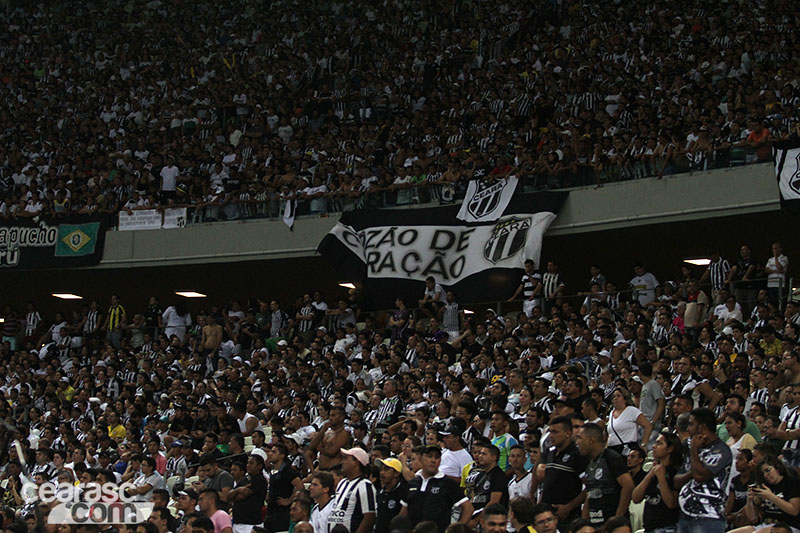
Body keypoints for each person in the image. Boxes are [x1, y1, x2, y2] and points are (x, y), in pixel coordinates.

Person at [675, 408, 733, 533]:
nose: (688, 429)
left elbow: (701, 476)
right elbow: (676, 481)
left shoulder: (721, 450)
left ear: (702, 427)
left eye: (691, 424)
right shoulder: (693, 450)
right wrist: (692, 472)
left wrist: (694, 449)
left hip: (709, 518)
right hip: (685, 516)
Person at [401, 445, 473, 532]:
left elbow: (468, 508)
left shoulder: (447, 483)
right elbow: (404, 512)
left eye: (437, 457)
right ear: (420, 459)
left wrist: (458, 530)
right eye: (429, 456)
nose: (433, 460)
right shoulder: (412, 483)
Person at [576, 423, 634, 528]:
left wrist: (617, 519)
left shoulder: (611, 458)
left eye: (579, 438)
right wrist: (584, 523)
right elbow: (589, 493)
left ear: (591, 440)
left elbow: (628, 485)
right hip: (595, 523)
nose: (577, 442)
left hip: (612, 524)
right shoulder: (588, 461)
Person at [538, 416, 587, 527]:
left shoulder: (577, 455)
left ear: (568, 434)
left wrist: (569, 507)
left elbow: (589, 486)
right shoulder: (550, 453)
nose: (551, 436)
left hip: (566, 517)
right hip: (546, 513)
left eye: (555, 432)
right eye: (550, 432)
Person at [632, 432, 683, 533]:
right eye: (655, 443)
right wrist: (650, 474)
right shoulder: (653, 472)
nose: (654, 446)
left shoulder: (676, 473)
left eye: (659, 443)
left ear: (670, 449)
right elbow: (635, 498)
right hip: (649, 527)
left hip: (668, 527)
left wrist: (661, 477)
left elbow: (671, 503)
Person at [734, 455, 800, 533]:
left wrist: (771, 497)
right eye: (762, 473)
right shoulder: (764, 485)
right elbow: (752, 518)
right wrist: (749, 500)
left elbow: (794, 511)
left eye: (768, 470)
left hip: (786, 526)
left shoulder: (791, 482)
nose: (765, 475)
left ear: (777, 467)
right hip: (765, 524)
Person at [327, 448, 378, 533]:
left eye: (346, 459)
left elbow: (369, 516)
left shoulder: (365, 485)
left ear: (356, 462)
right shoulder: (342, 483)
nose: (342, 462)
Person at [226, 456, 268, 533]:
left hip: (251, 524)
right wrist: (238, 490)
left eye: (251, 463)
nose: (248, 465)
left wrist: (234, 494)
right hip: (238, 522)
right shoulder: (244, 478)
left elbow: (240, 497)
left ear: (259, 466)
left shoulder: (260, 480)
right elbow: (228, 496)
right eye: (248, 463)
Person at [607, 387, 652, 455]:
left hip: (627, 449)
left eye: (618, 396)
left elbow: (648, 425)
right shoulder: (611, 413)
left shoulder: (632, 410)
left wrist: (644, 443)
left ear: (625, 399)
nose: (615, 398)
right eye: (614, 396)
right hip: (612, 449)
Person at [376, 458, 408, 533]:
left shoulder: (403, 491)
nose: (382, 473)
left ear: (396, 473)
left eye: (387, 469)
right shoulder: (380, 492)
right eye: (381, 469)